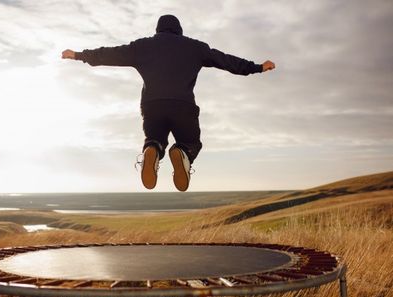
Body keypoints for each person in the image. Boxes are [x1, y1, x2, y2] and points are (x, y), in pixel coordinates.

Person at [62, 14, 275, 192]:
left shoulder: (143, 46)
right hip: (183, 106)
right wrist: (256, 67)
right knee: (191, 142)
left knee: (154, 139)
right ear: (179, 31)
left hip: (152, 107)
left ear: (158, 30)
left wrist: (79, 55)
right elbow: (226, 60)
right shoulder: (195, 47)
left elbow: (111, 54)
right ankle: (183, 152)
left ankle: (152, 150)